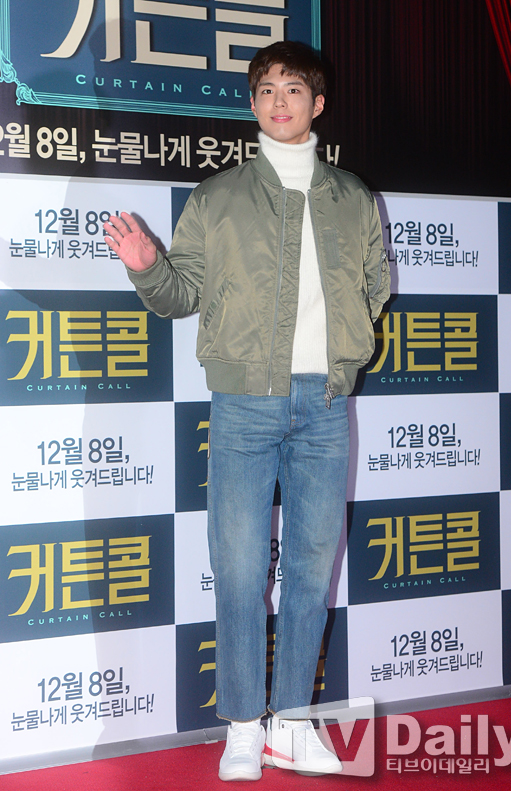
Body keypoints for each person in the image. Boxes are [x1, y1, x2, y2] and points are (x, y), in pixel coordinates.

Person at [104, 41, 390, 782]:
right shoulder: (217, 197)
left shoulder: (353, 198)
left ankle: (291, 724)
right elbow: (180, 295)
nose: (278, 101)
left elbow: (375, 285)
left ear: (317, 103)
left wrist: (347, 348)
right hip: (243, 406)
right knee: (236, 570)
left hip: (325, 406)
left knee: (311, 570)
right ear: (254, 103)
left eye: (293, 89)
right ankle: (240, 725)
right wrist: (147, 268)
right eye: (265, 89)